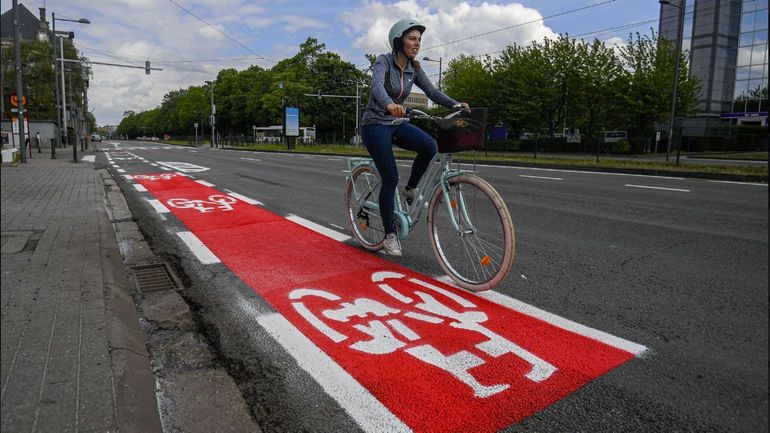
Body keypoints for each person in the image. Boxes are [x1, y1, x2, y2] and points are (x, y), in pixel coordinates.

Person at [361, 18, 469, 257]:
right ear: (399, 41)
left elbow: (431, 91)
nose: (417, 43)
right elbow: (376, 87)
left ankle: (410, 189)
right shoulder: (384, 61)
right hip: (375, 124)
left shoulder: (413, 69)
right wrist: (389, 104)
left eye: (419, 39)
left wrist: (455, 103)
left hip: (396, 122)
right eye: (412, 38)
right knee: (390, 178)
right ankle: (390, 234)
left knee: (430, 146)